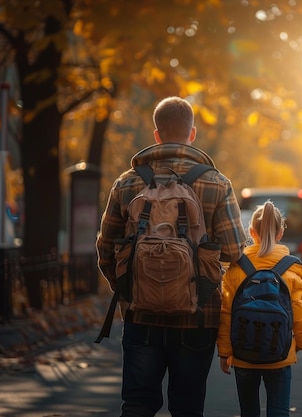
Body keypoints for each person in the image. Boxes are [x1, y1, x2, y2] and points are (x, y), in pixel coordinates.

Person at [96, 96, 247, 417]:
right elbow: (234, 251)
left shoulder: (127, 182)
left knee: (137, 403)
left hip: (140, 313)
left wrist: (130, 289)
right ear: (192, 134)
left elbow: (105, 249)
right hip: (198, 315)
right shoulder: (217, 183)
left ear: (156, 134)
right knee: (187, 406)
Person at [217, 201, 302, 417]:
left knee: (248, 412)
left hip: (243, 354)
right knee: (279, 411)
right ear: (280, 233)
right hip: (279, 353)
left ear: (251, 232)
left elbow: (226, 313)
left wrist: (224, 352)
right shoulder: (292, 268)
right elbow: (299, 312)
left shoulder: (236, 268)